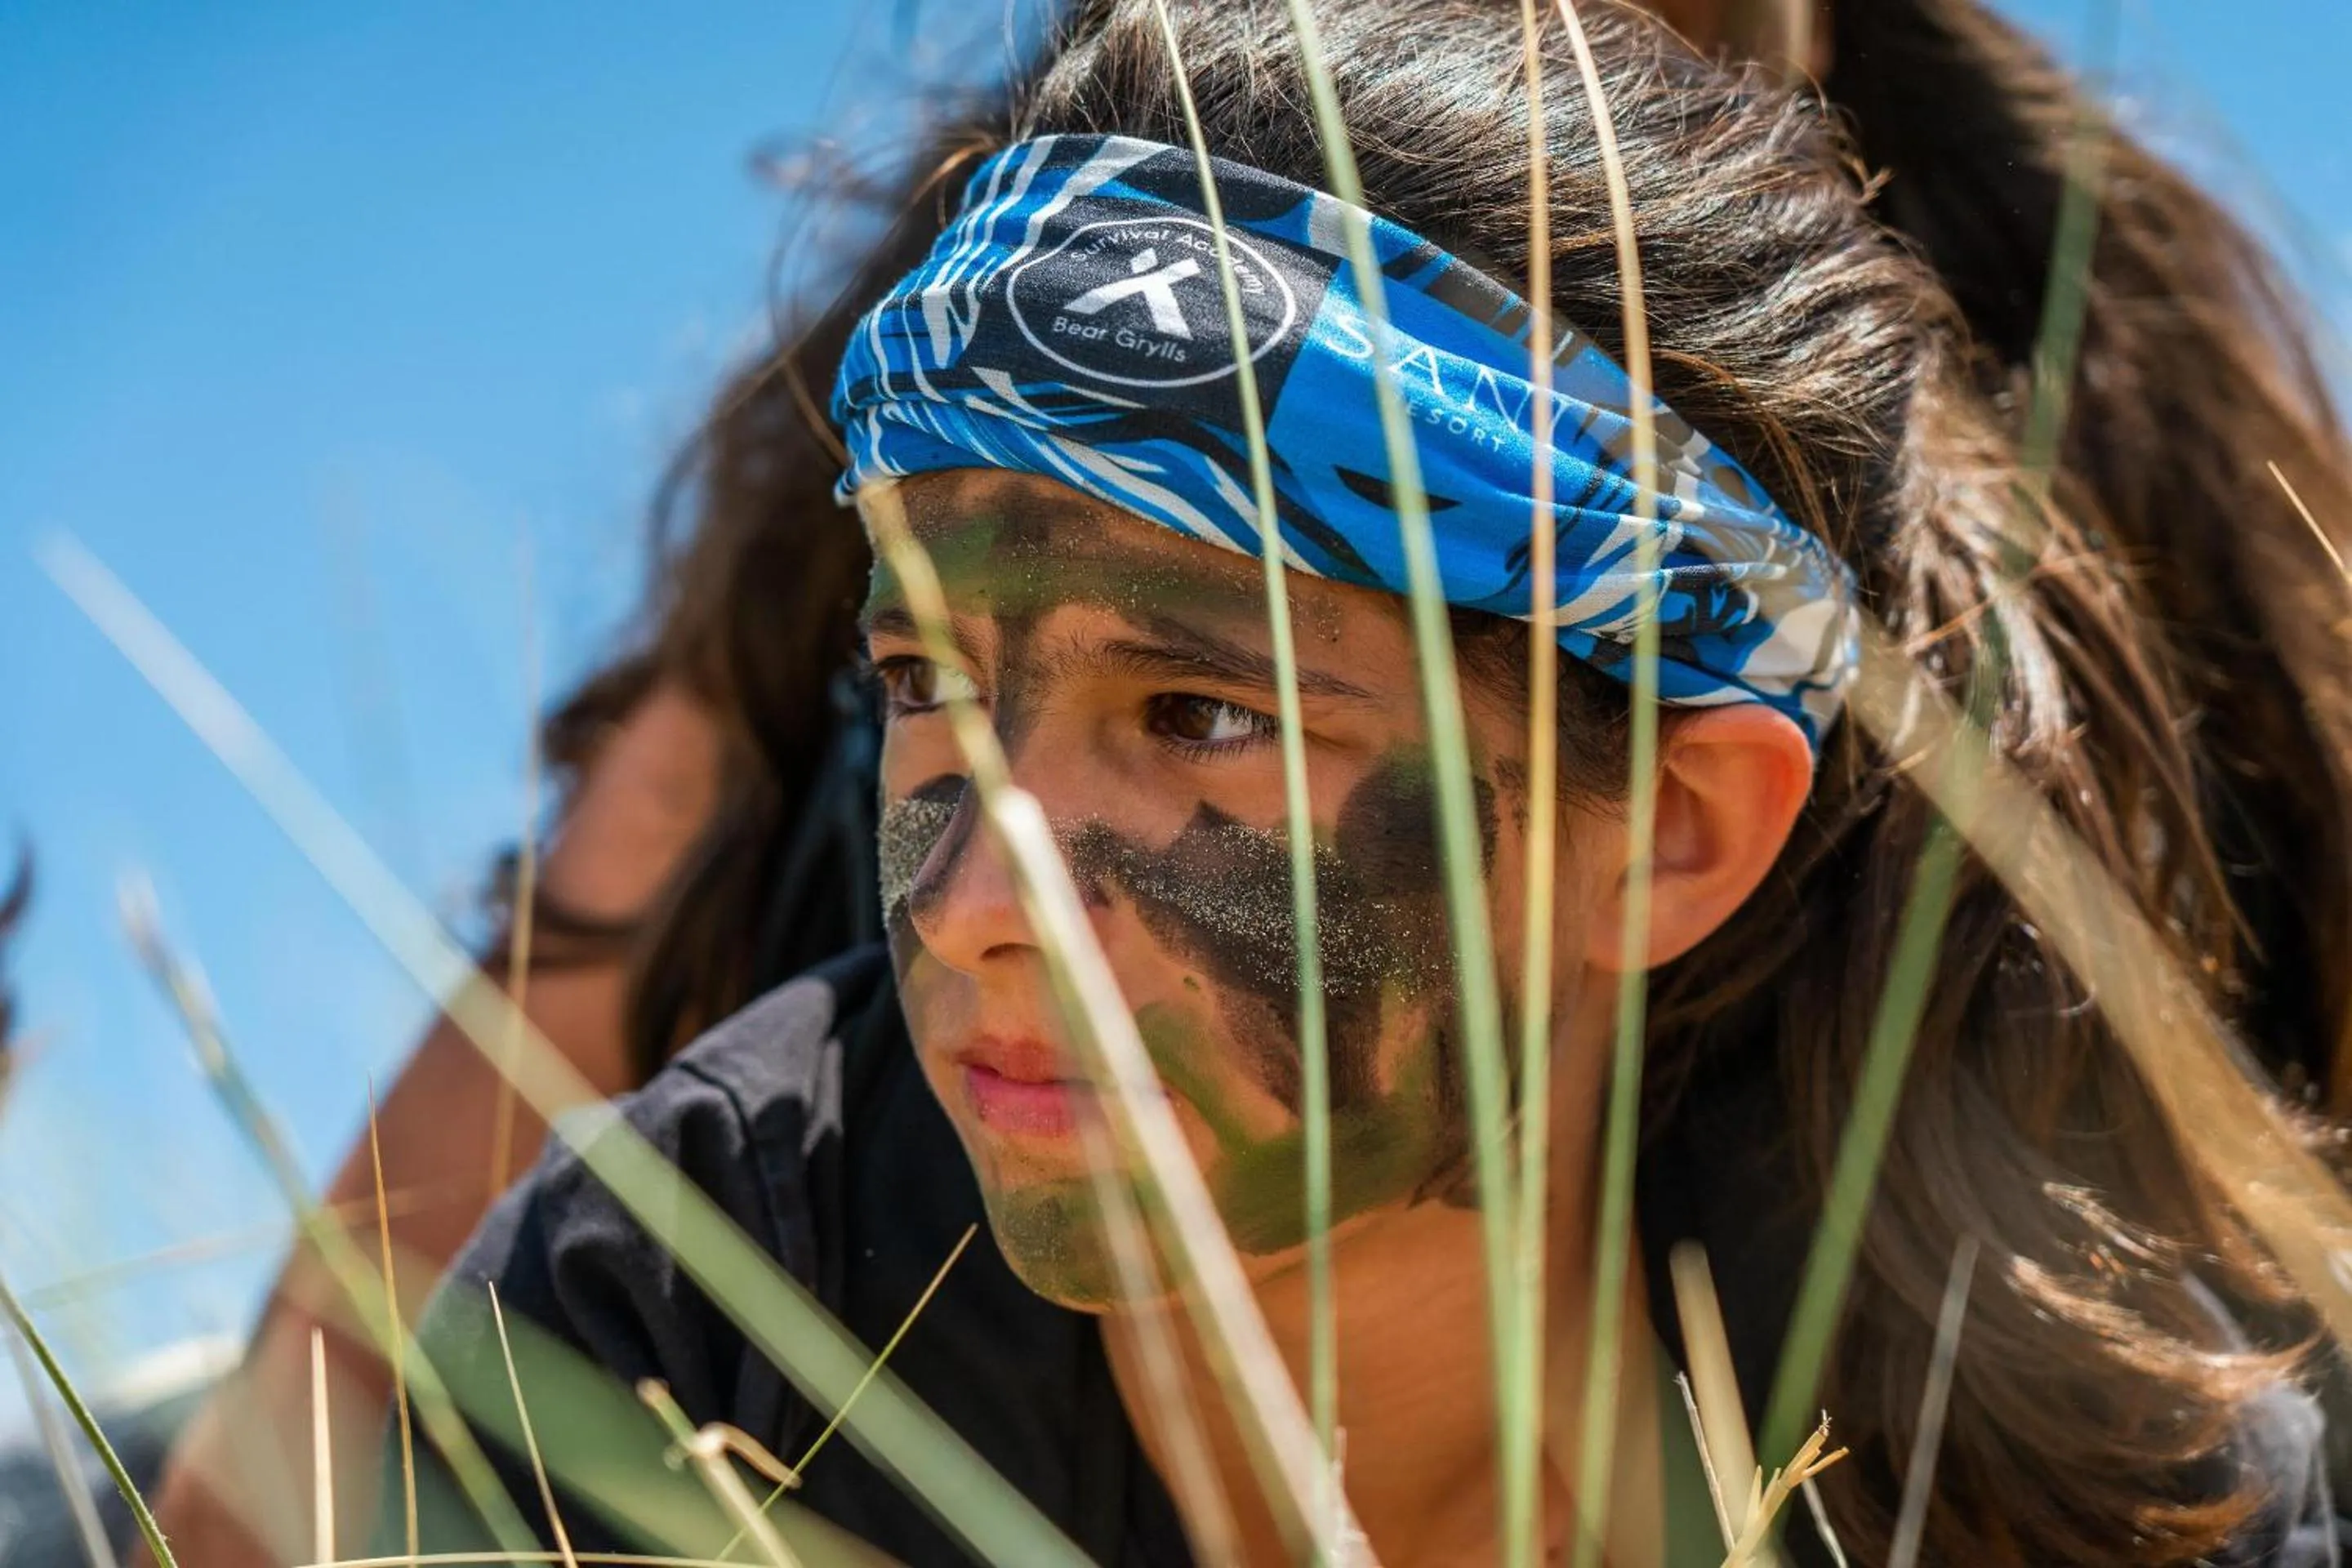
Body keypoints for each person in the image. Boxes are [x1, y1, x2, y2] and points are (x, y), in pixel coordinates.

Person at [141, 0, 2352, 1561]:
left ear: (1684, 830)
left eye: (1206, 714)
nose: (982, 891)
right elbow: (310, 1432)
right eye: (920, 682)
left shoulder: (2038, 1406)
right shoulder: (673, 1288)